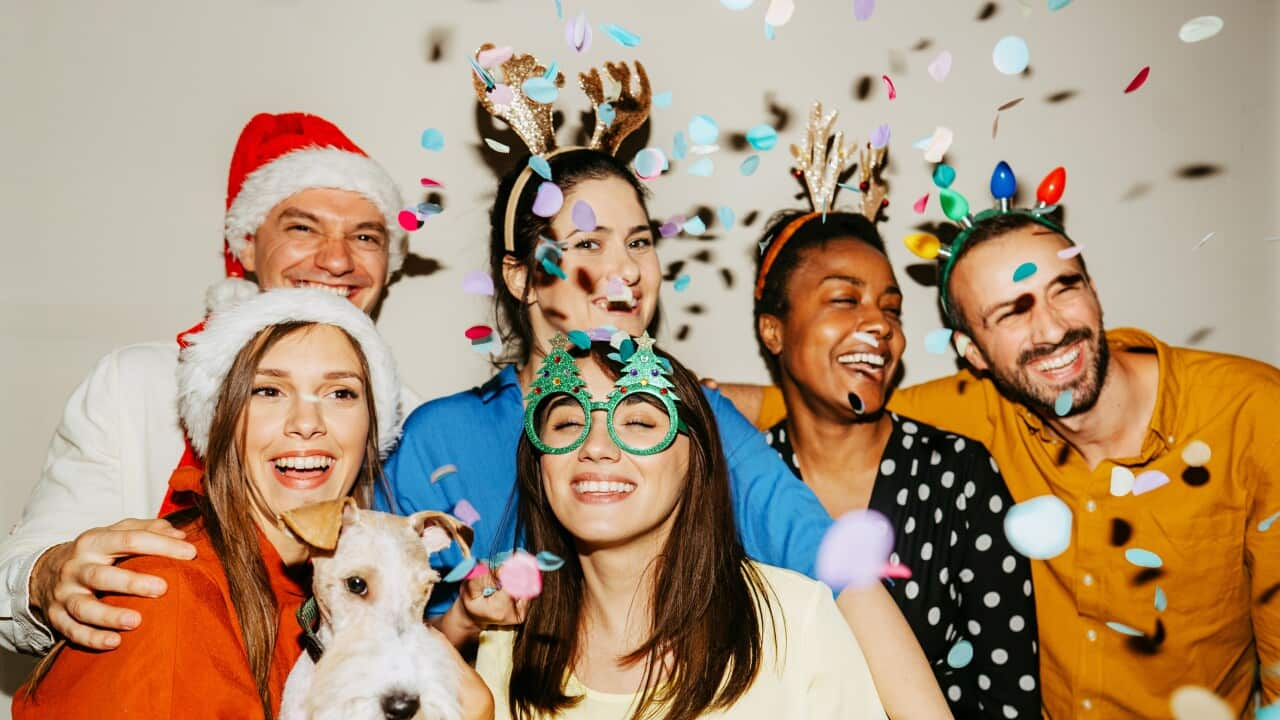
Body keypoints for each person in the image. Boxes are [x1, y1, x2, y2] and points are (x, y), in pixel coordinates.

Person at [383, 145, 950, 719]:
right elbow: (376, 648)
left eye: (639, 241)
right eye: (588, 242)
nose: (627, 269)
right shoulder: (440, 439)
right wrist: (464, 624)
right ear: (520, 275)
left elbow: (846, 578)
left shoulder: (700, 417)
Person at [731, 180, 1280, 716]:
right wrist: (696, 407)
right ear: (973, 352)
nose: (1051, 327)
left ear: (1093, 288)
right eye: (1011, 311)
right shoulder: (982, 407)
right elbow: (830, 409)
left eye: (1064, 287)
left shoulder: (1253, 412)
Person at [0, 112, 411, 654]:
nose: (336, 259)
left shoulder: (408, 415)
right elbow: (19, 575)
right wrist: (48, 576)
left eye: (364, 236)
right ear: (245, 245)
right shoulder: (139, 384)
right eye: (302, 227)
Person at [13, 289, 491, 719]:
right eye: (268, 390)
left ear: (369, 430)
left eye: (341, 392)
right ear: (221, 426)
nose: (307, 421)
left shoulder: (307, 591)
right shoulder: (171, 599)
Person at [475, 335, 886, 719]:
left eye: (637, 422)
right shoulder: (507, 642)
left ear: (696, 459)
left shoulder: (797, 621)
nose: (595, 446)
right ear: (538, 463)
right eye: (566, 423)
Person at [752, 209, 1041, 718]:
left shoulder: (958, 475)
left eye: (892, 310)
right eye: (845, 299)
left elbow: (1008, 694)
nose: (880, 326)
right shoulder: (741, 482)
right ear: (773, 331)